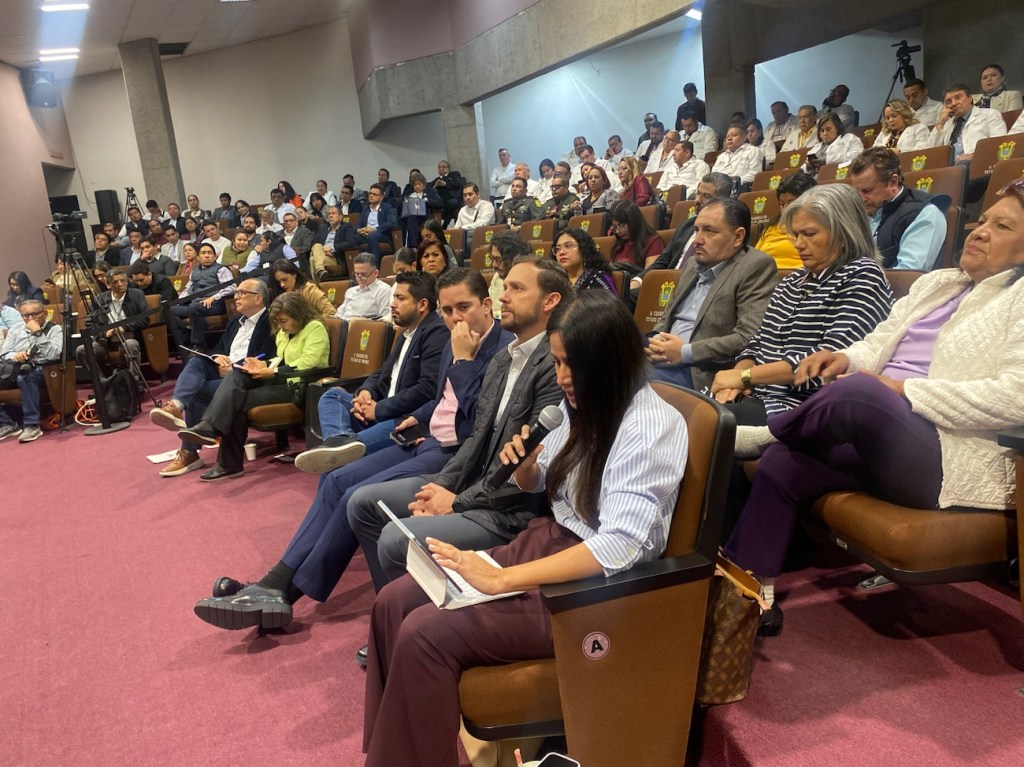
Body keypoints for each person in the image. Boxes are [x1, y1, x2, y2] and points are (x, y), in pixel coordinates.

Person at [359, 290, 688, 766]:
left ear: (612, 361)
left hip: (594, 588)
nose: (563, 378)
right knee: (393, 602)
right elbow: (550, 487)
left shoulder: (649, 427)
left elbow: (621, 545)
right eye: (557, 363)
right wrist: (529, 467)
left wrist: (502, 579)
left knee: (425, 634)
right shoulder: (585, 406)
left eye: (573, 365)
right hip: (547, 543)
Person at [723, 178, 1024, 636]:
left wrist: (901, 390)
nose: (979, 231)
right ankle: (748, 596)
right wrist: (845, 358)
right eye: (982, 220)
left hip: (950, 452)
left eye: (1002, 227)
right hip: (882, 433)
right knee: (784, 463)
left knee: (859, 393)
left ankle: (768, 433)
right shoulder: (938, 284)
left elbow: (1016, 397)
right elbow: (878, 342)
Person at [192, 269, 514, 632]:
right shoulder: (455, 340)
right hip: (423, 436)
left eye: (463, 307)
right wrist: (419, 417)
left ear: (487, 305)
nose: (455, 318)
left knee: (354, 496)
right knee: (336, 479)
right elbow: (441, 397)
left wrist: (464, 361)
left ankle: (281, 589)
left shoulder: (500, 350)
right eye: (447, 310)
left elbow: (478, 423)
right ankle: (275, 583)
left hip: (453, 454)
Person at [709, 184, 893, 428]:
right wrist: (734, 382)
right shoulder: (792, 281)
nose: (798, 244)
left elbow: (827, 362)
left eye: (810, 234)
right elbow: (758, 343)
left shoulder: (863, 275)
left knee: (700, 426)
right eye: (796, 234)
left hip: (802, 407)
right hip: (756, 396)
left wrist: (745, 377)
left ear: (844, 233)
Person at [298, 271, 448, 469]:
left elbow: (427, 389)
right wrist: (365, 392)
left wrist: (378, 409)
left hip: (403, 418)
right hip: (381, 408)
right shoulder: (407, 332)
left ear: (422, 304)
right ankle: (340, 440)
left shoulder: (436, 332)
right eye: (394, 297)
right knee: (332, 396)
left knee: (337, 463)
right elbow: (382, 371)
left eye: (400, 298)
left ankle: (342, 448)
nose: (392, 304)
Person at [178, 292, 329, 481]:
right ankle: (209, 428)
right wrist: (262, 364)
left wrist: (272, 371)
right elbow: (281, 358)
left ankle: (227, 460)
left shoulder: (315, 328)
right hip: (282, 380)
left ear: (299, 315)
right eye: (278, 322)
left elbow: (309, 362)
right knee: (238, 374)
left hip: (302, 386)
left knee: (237, 401)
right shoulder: (285, 332)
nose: (281, 327)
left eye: (284, 321)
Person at [647, 197, 777, 390]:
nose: (697, 240)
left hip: (699, 370)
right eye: (696, 230)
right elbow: (667, 316)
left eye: (709, 231)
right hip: (662, 358)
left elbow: (748, 337)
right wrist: (656, 340)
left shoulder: (755, 266)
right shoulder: (693, 263)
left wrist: (684, 352)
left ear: (738, 237)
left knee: (627, 383)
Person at [150, 279, 276, 477]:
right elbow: (219, 348)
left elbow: (267, 355)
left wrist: (234, 367)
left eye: (242, 293)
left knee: (197, 391)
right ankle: (175, 406)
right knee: (196, 361)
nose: (236, 297)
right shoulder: (236, 321)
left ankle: (190, 452)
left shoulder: (270, 321)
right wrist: (218, 358)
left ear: (258, 298)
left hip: (245, 378)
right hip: (224, 370)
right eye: (236, 293)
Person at [849, 147, 947, 270]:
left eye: (867, 190)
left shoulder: (925, 214)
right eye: (856, 192)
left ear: (893, 182)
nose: (861, 199)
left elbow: (908, 273)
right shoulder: (859, 211)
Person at [0, 299, 62, 443]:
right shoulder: (16, 329)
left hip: (43, 370)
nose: (29, 319)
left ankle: (32, 425)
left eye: (34, 314)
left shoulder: (55, 329)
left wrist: (38, 332)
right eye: (25, 316)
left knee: (26, 375)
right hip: (15, 367)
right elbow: (4, 354)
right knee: (20, 372)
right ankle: (6, 423)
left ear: (44, 313)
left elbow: (53, 355)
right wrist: (17, 355)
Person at [75, 268, 148, 376]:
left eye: (122, 280)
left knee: (131, 345)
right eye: (115, 282)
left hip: (128, 337)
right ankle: (100, 380)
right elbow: (90, 323)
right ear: (108, 285)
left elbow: (145, 318)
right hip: (106, 341)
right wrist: (105, 333)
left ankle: (133, 380)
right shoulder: (100, 299)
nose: (120, 284)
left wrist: (124, 328)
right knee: (81, 350)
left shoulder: (137, 295)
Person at [170, 242, 235, 352]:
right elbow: (188, 289)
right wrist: (179, 301)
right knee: (168, 310)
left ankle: (198, 345)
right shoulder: (194, 271)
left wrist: (214, 297)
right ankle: (185, 340)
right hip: (196, 305)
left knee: (194, 308)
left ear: (215, 256)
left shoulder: (221, 269)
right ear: (198, 257)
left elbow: (232, 287)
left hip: (215, 305)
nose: (207, 256)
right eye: (203, 253)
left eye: (210, 253)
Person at [754, 171, 817, 270]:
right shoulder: (772, 227)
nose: (785, 209)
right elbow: (754, 259)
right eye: (782, 204)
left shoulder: (817, 229)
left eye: (791, 203)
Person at [929, 83, 1007, 162]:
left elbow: (999, 143)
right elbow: (930, 153)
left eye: (958, 97)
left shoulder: (990, 115)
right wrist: (941, 122)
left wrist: (975, 156)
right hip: (950, 167)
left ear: (970, 98)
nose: (953, 103)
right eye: (949, 102)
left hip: (978, 163)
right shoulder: (946, 124)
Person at [607, 199, 664, 276]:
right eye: (615, 227)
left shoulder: (653, 241)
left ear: (634, 221)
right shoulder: (619, 244)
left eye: (622, 225)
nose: (618, 231)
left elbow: (649, 276)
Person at [268, 258, 335, 321]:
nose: (282, 285)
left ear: (294, 274)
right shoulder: (280, 296)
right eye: (278, 282)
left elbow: (330, 312)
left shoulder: (309, 289)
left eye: (285, 279)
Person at [553, 228, 616, 294]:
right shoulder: (555, 281)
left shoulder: (599, 278)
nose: (561, 252)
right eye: (557, 249)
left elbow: (610, 300)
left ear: (583, 248)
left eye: (568, 246)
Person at [486, 231, 531, 318]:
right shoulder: (497, 277)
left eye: (499, 260)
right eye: (493, 259)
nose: (494, 265)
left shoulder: (528, 281)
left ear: (514, 258)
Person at [351, 184, 399, 263]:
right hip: (366, 235)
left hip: (382, 234)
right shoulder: (366, 208)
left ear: (381, 197)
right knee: (352, 237)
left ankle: (374, 265)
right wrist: (359, 230)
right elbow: (359, 224)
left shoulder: (387, 207)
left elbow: (391, 222)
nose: (371, 196)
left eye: (374, 194)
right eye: (370, 194)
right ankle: (357, 264)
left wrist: (374, 229)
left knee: (372, 236)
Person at [336, 253, 391, 321]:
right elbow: (338, 315)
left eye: (363, 274)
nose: (359, 277)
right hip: (344, 324)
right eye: (357, 274)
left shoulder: (383, 290)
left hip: (364, 326)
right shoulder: (350, 291)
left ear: (376, 273)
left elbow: (385, 319)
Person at [311, 205, 359, 280]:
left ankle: (317, 282)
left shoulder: (346, 227)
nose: (330, 216)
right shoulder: (323, 228)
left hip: (335, 257)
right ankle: (320, 270)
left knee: (313, 259)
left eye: (333, 213)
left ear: (340, 217)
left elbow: (351, 242)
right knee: (316, 246)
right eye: (329, 214)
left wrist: (332, 248)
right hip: (322, 254)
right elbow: (313, 242)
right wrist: (323, 250)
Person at [400, 172, 443, 248]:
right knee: (409, 219)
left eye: (419, 184)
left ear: (423, 185)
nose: (417, 186)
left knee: (412, 219)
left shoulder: (430, 192)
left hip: (425, 217)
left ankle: (415, 246)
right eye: (415, 185)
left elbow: (439, 203)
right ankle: (412, 246)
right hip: (411, 217)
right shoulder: (409, 195)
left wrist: (427, 201)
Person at [431, 161, 465, 226]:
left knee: (452, 203)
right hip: (440, 199)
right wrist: (435, 185)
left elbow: (458, 183)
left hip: (451, 197)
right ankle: (433, 227)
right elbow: (430, 189)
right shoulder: (436, 180)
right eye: (439, 167)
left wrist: (445, 184)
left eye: (443, 167)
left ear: (448, 168)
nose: (441, 169)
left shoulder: (454, 175)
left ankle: (445, 223)